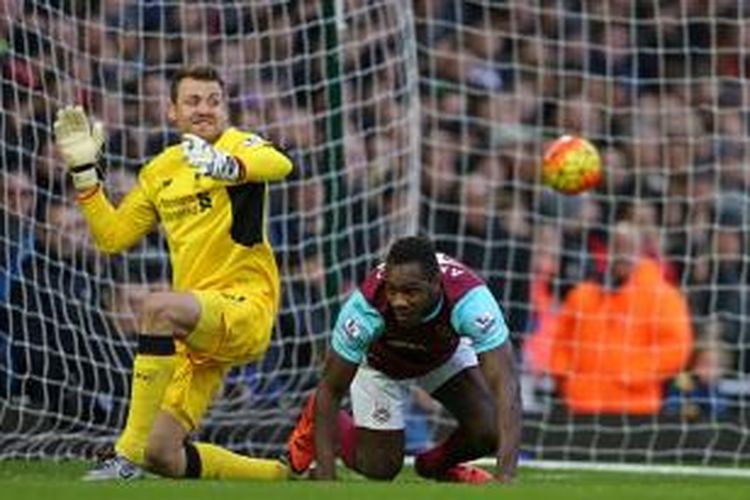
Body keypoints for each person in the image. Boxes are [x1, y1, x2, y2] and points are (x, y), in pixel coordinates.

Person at [53, 65, 293, 481]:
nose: (205, 110)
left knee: (156, 308)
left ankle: (122, 459)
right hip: (195, 325)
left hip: (245, 308)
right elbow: (112, 237)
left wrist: (227, 166)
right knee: (162, 453)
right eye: (193, 101)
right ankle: (279, 475)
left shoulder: (239, 145)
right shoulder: (160, 171)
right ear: (171, 112)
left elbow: (279, 163)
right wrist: (84, 174)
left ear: (225, 107)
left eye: (214, 101)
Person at [285, 235, 521, 483]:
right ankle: (323, 422)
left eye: (411, 292)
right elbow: (331, 389)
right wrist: (325, 472)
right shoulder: (365, 308)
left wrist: (505, 475)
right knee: (380, 468)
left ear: (435, 283)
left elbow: (507, 385)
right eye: (392, 291)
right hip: (381, 361)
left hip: (440, 353)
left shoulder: (470, 301)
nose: (399, 301)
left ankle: (433, 466)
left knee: (489, 430)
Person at [548, 221, 693, 415]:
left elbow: (677, 348)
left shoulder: (663, 297)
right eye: (617, 246)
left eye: (629, 247)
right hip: (581, 406)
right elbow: (560, 342)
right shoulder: (583, 294)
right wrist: (565, 381)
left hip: (636, 409)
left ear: (641, 251)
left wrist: (630, 372)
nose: (622, 254)